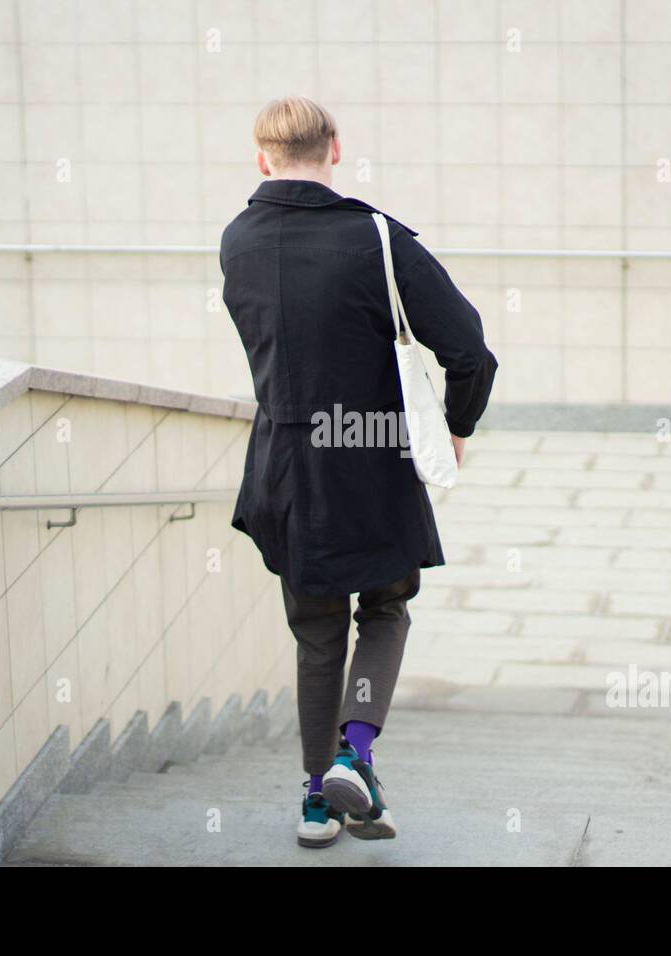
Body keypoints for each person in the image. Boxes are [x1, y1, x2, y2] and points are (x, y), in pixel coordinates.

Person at [219, 96, 497, 848]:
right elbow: (471, 352)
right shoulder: (378, 239)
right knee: (383, 609)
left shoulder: (237, 241)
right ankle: (356, 753)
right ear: (335, 149)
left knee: (316, 635)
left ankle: (317, 801)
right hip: (370, 463)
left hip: (283, 468)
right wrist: (459, 427)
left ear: (261, 159)